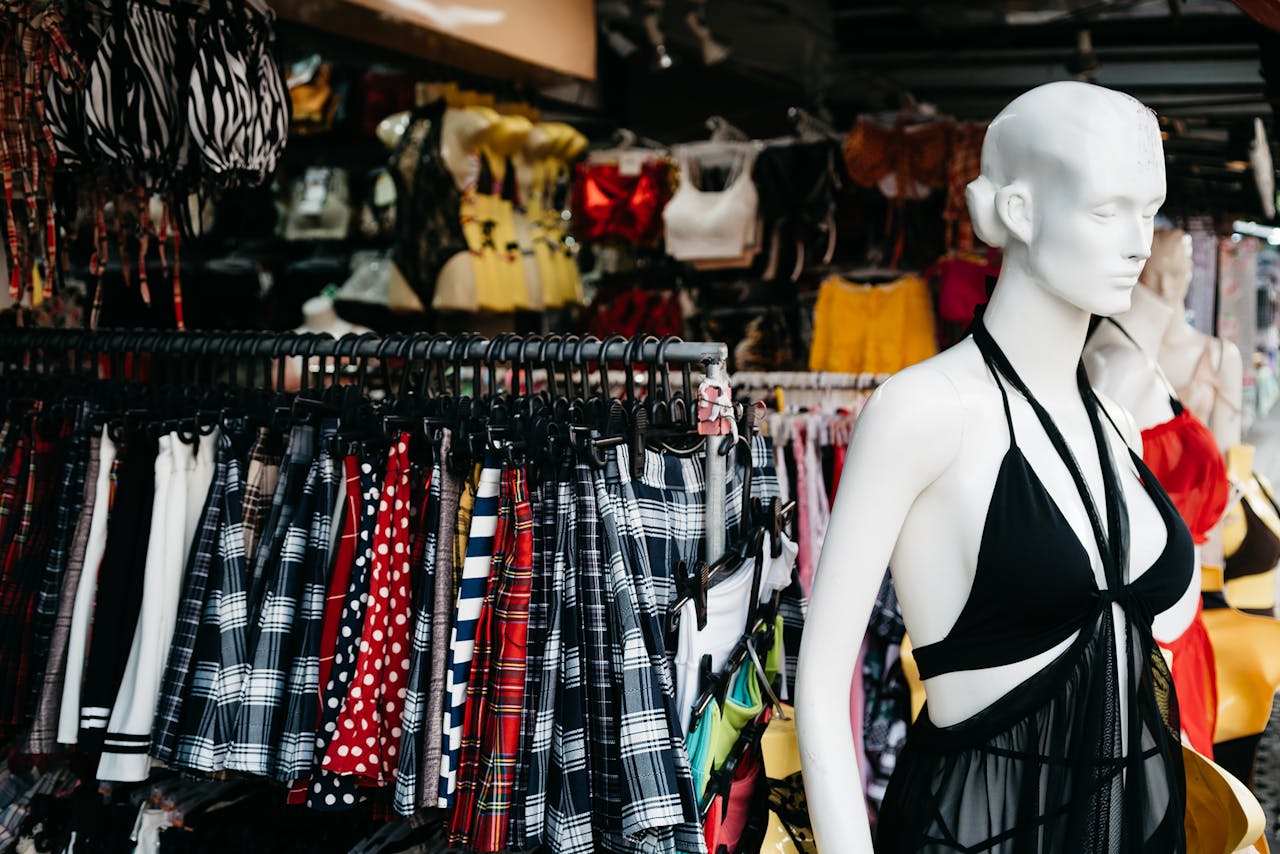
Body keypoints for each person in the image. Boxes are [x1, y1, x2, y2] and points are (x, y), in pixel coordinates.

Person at [795, 81, 1198, 853]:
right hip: (977, 834)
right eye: (1108, 211)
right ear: (1017, 211)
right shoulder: (922, 412)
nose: (1139, 243)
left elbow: (1150, 650)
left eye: (1149, 212)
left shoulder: (1116, 421)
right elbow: (820, 683)